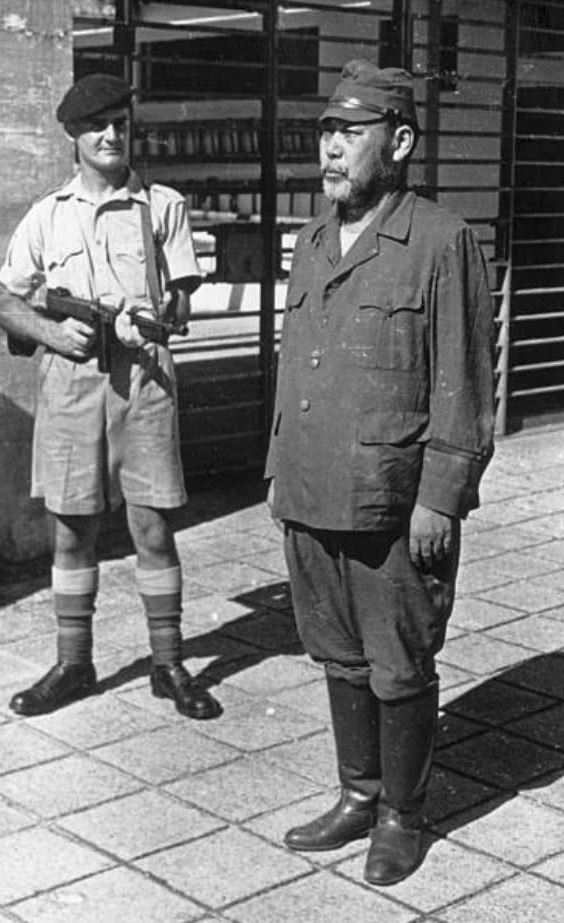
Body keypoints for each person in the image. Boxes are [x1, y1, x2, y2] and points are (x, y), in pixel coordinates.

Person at [266, 59, 494, 885]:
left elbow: (465, 381)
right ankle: (358, 794)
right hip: (311, 490)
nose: (330, 149)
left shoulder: (440, 240)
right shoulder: (311, 240)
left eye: (350, 133)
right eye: (326, 132)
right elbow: (297, 367)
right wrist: (278, 472)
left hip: (394, 500)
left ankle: (403, 814)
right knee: (337, 653)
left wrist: (442, 497)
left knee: (399, 660)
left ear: (398, 143)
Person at [0, 73, 221, 721]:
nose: (112, 135)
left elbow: (181, 307)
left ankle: (168, 662)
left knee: (153, 527)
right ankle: (73, 662)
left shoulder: (162, 207)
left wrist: (148, 321)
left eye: (120, 123)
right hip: (70, 386)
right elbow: (4, 301)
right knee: (71, 531)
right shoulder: (47, 215)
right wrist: (52, 332)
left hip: (145, 380)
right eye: (97, 126)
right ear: (74, 134)